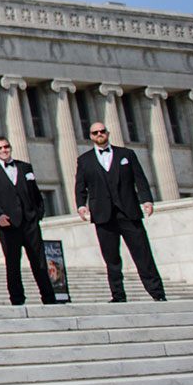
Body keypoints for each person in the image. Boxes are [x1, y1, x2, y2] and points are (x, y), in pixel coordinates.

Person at [75, 122, 167, 303]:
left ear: (108, 133)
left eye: (102, 131)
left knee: (143, 254)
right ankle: (118, 295)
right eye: (95, 132)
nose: (99, 134)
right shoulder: (84, 160)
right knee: (111, 259)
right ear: (91, 136)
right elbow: (80, 186)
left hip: (128, 212)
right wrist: (81, 205)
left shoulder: (126, 154)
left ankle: (157, 293)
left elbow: (140, 179)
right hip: (103, 215)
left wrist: (147, 200)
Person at [0, 135, 55, 306]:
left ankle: (49, 297)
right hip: (8, 225)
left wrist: (38, 212)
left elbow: (35, 193)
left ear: (10, 147)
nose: (3, 150)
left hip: (30, 223)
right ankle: (17, 299)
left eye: (6, 146)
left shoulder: (25, 167)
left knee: (39, 261)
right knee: (13, 263)